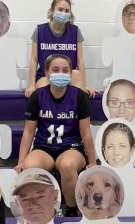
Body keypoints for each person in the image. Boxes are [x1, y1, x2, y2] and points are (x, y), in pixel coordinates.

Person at [17, 53, 96, 215]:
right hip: (43, 147)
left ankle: (72, 209)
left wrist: (93, 161)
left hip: (71, 147)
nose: (60, 73)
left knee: (67, 165)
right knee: (30, 167)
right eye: (55, 69)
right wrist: (21, 161)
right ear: (47, 74)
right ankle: (43, 211)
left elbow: (86, 133)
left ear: (70, 73)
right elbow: (28, 131)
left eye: (65, 70)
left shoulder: (79, 96)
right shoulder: (38, 97)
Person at [26, 0, 92, 96]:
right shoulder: (40, 30)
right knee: (43, 91)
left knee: (77, 76)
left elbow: (80, 60)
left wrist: (83, 86)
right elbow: (34, 60)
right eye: (60, 9)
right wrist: (31, 85)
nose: (63, 13)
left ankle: (74, 111)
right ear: (52, 11)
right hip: (46, 75)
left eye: (67, 11)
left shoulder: (75, 31)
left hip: (68, 75)